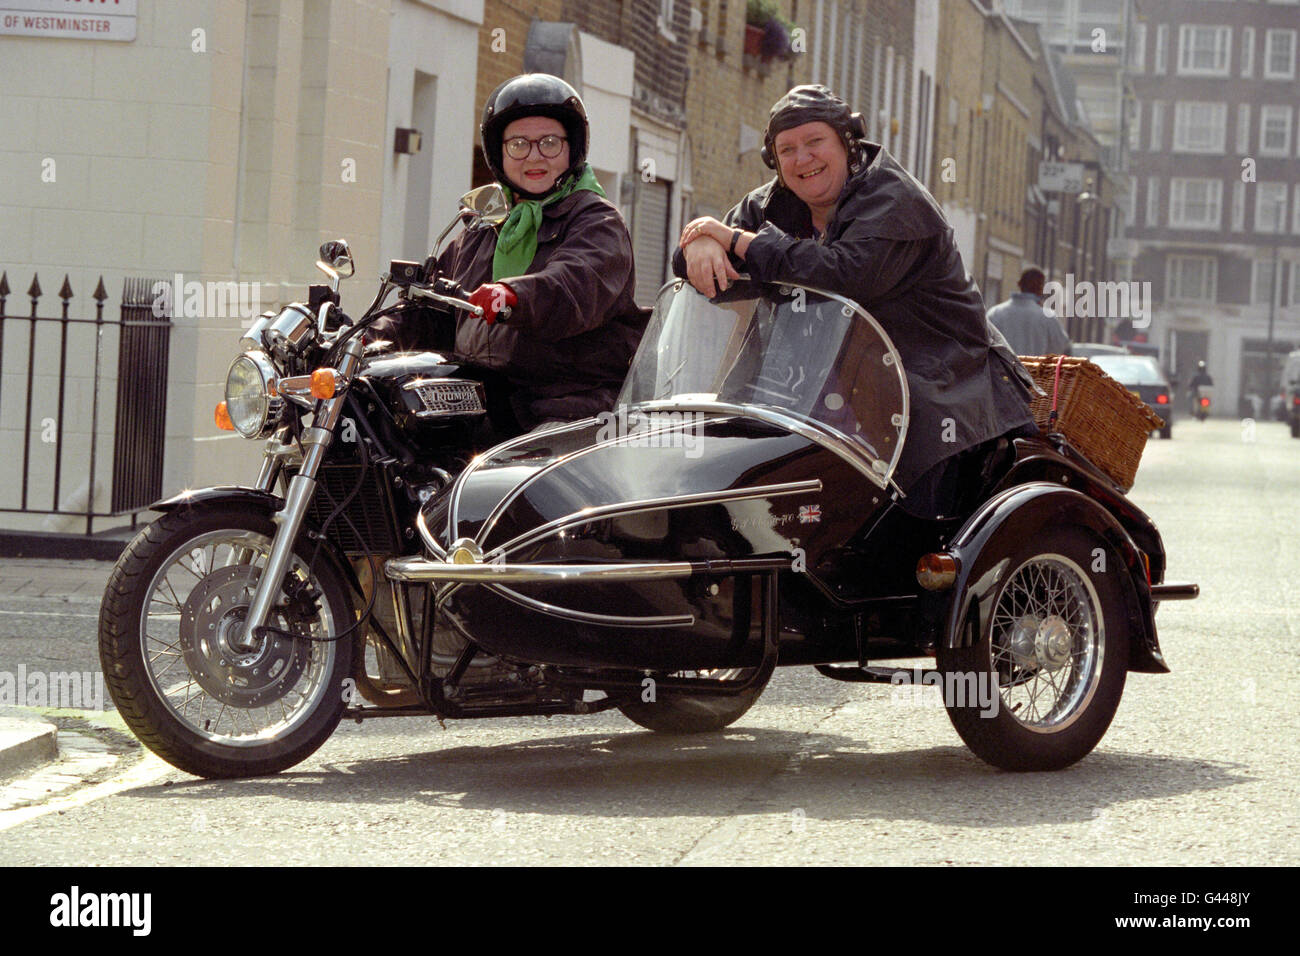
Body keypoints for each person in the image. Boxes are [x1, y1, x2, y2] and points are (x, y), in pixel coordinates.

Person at [673, 84, 1038, 520]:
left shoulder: (895, 199)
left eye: (815, 142)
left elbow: (843, 275)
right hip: (829, 397)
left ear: (847, 144)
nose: (802, 159)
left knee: (898, 536)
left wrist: (730, 238)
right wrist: (698, 244)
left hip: (938, 394)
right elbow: (703, 259)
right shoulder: (773, 202)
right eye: (786, 149)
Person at [375, 73, 646, 433]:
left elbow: (573, 286)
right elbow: (434, 307)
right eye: (518, 143)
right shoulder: (483, 227)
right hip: (483, 403)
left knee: (515, 483)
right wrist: (371, 336)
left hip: (565, 407)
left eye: (549, 142)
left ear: (572, 147)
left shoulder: (596, 220)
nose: (534, 156)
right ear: (499, 152)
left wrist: (513, 295)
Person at [987, 267, 1072, 356]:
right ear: (1042, 288)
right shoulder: (1048, 317)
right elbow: (1063, 348)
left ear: (1019, 284)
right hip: (1036, 369)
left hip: (1002, 369)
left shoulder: (995, 313)